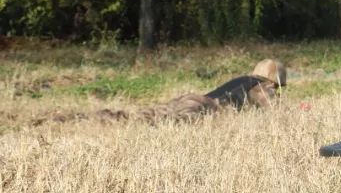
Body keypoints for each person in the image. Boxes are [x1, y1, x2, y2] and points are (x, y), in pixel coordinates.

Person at [84, 59, 287, 123]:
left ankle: (100, 117)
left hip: (193, 99)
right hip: (203, 108)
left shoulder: (247, 80)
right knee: (161, 122)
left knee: (148, 115)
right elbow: (275, 113)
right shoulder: (264, 86)